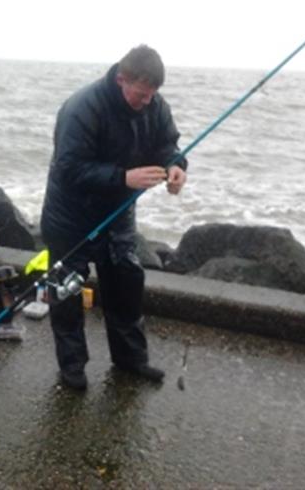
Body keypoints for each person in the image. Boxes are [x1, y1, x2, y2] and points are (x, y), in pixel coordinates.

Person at [40, 44, 187, 389]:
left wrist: (176, 165)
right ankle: (72, 367)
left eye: (152, 95)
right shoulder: (82, 107)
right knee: (67, 290)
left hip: (118, 213)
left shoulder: (155, 105)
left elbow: (167, 144)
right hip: (71, 215)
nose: (146, 102)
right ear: (122, 79)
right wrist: (123, 177)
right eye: (140, 94)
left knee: (125, 283)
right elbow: (68, 168)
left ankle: (131, 360)